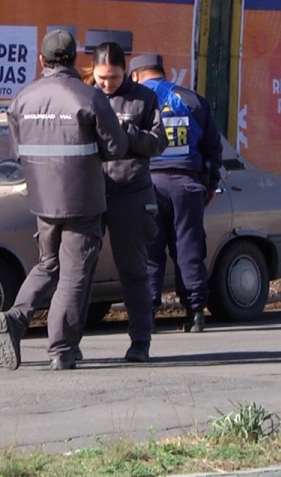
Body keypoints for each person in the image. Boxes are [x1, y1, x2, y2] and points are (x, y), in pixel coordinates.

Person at [0, 30, 128, 371]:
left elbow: (17, 150)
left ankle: (16, 317)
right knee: (73, 274)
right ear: (75, 60)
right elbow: (117, 147)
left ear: (42, 61)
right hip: (82, 200)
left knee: (47, 265)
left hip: (41, 199)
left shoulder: (23, 98)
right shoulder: (87, 96)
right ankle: (61, 348)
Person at [81, 42, 167, 363]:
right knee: (80, 269)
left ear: (126, 71)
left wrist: (127, 134)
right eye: (101, 78)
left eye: (113, 78)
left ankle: (140, 341)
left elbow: (159, 142)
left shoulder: (144, 98)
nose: (106, 84)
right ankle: (69, 342)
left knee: (133, 270)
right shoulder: (85, 96)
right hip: (90, 191)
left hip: (130, 193)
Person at [130, 54, 223, 333]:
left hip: (148, 187)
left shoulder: (136, 101)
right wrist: (209, 186)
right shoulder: (192, 100)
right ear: (163, 72)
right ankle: (195, 314)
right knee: (189, 249)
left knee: (150, 251)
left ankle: (149, 316)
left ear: (135, 75)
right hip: (188, 186)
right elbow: (213, 149)